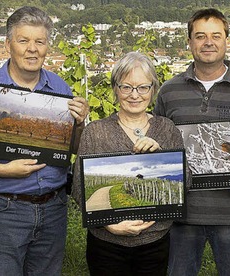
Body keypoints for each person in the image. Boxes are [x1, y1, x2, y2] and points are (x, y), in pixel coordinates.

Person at [0, 6, 89, 276]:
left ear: (48, 46)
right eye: (24, 41)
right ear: (8, 44)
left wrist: (79, 125)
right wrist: (2, 170)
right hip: (1, 209)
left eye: (40, 41)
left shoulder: (61, 89)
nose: (32, 49)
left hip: (53, 208)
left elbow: (73, 149)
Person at [154, 8, 230, 276]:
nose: (208, 42)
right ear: (189, 42)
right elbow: (158, 144)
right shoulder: (169, 92)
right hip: (181, 216)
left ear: (226, 41)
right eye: (200, 36)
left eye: (215, 35)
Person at [72, 51, 184, 276]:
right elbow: (78, 188)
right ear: (115, 89)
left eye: (143, 87)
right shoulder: (96, 132)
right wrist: (108, 224)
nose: (135, 95)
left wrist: (161, 154)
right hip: (106, 245)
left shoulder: (167, 129)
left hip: (155, 243)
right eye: (126, 87)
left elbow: (185, 183)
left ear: (153, 90)